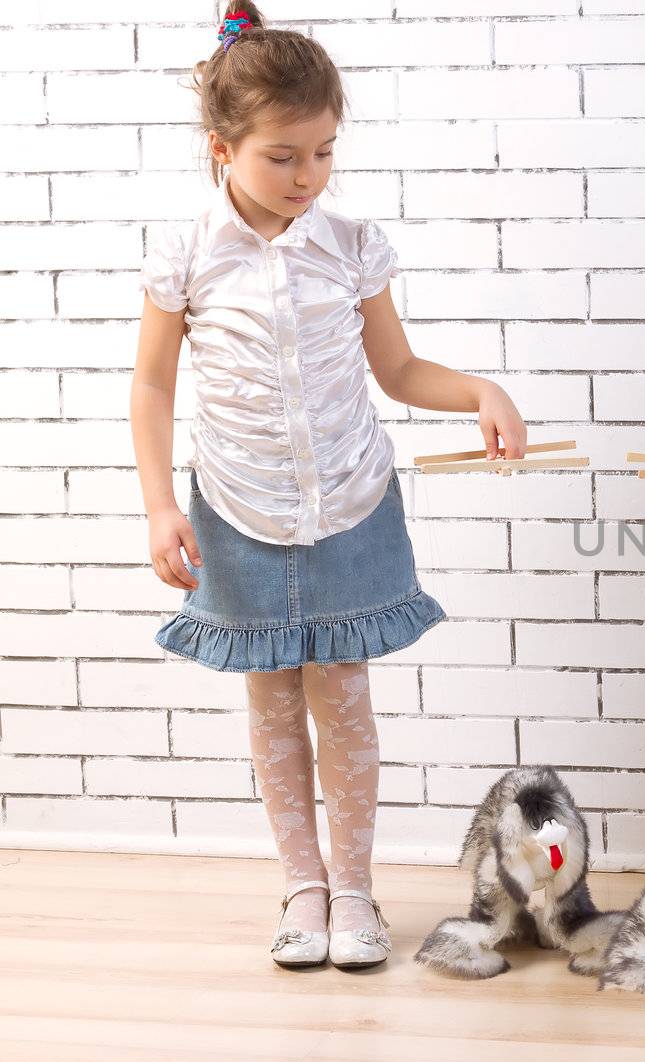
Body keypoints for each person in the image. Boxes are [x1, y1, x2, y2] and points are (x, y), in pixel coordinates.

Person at [129, 3, 527, 969]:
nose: (306, 177)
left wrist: (478, 388)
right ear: (223, 149)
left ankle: (354, 889)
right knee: (272, 698)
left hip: (350, 502)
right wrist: (158, 503)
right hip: (241, 507)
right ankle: (302, 886)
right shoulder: (186, 252)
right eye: (282, 157)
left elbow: (396, 371)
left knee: (340, 693)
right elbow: (152, 382)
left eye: (323, 153)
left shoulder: (351, 242)